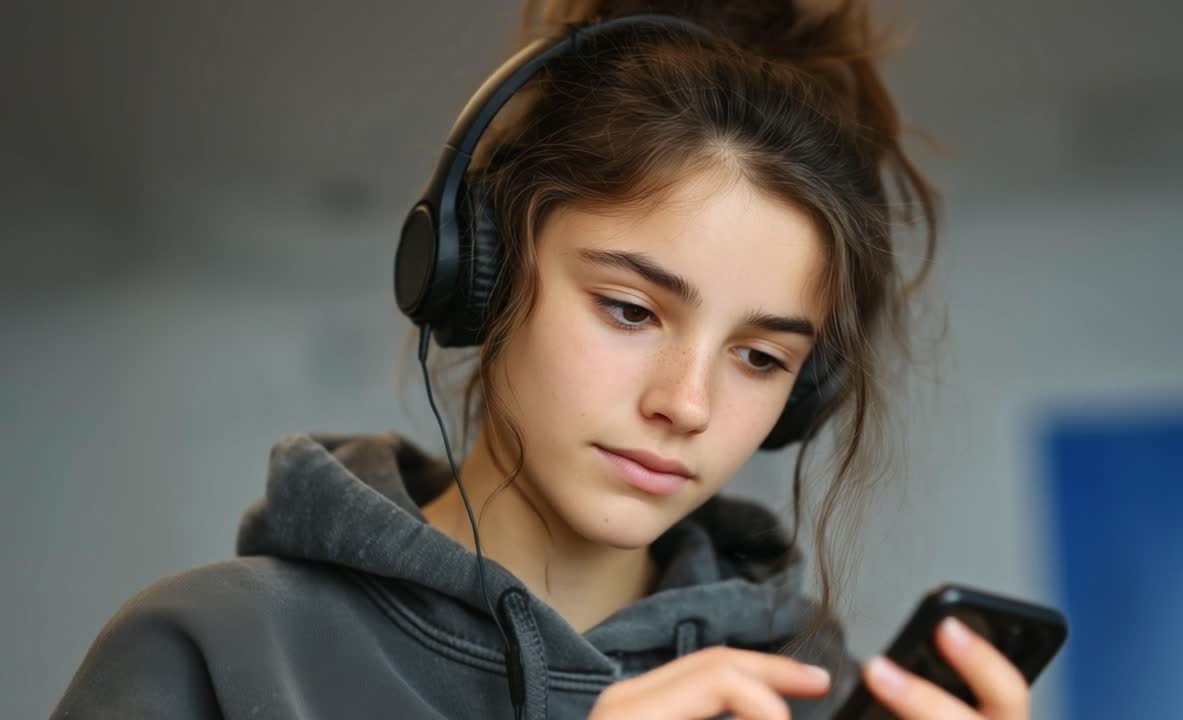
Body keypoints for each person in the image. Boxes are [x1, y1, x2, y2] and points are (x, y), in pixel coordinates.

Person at [53, 2, 1034, 718]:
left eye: (757, 357)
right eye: (627, 308)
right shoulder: (215, 654)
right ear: (481, 271)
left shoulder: (816, 700)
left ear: (805, 391)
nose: (685, 403)